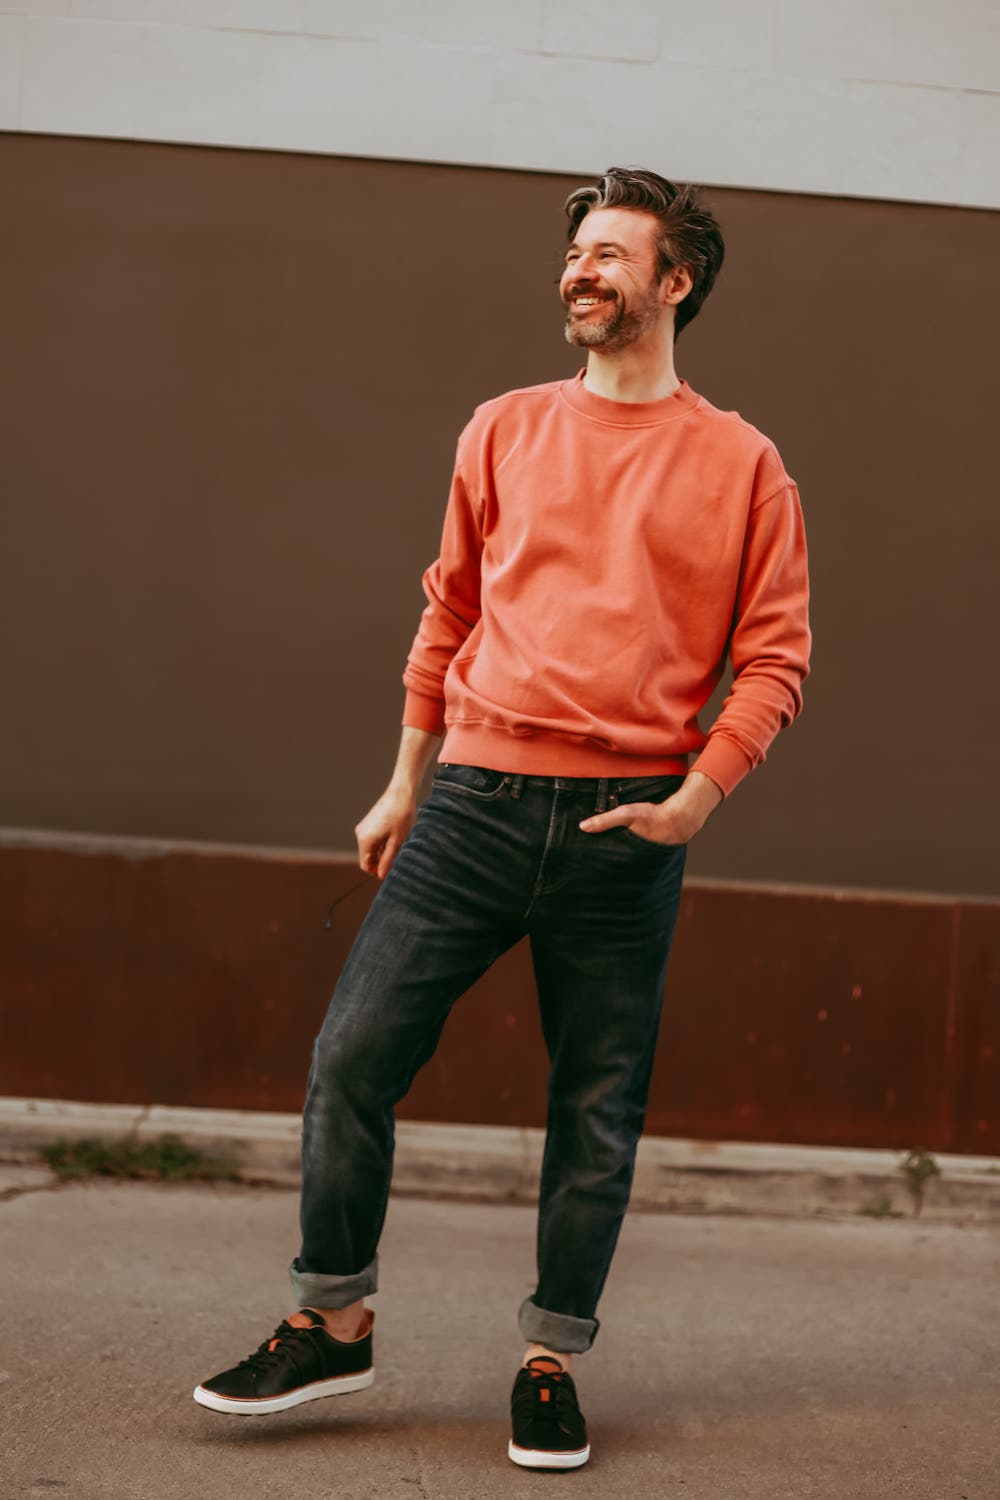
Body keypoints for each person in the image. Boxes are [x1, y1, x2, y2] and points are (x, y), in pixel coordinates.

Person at [193, 166, 811, 1470]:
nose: (580, 272)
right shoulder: (504, 429)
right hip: (471, 802)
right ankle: (335, 1318)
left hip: (625, 823)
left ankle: (548, 1359)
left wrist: (696, 799)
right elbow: (449, 610)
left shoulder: (745, 464)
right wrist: (405, 779)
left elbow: (773, 658)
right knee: (353, 1058)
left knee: (597, 1104)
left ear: (674, 281)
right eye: (574, 254)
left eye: (608, 254)